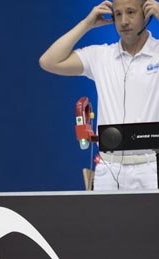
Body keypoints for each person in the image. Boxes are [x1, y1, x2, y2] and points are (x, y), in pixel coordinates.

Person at [39, 0, 159, 190]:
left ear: (146, 14)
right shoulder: (101, 56)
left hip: (151, 166)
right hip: (108, 168)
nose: (124, 21)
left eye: (131, 12)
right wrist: (86, 24)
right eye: (117, 14)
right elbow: (49, 61)